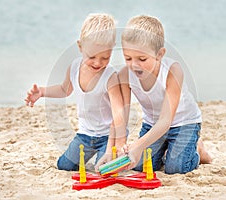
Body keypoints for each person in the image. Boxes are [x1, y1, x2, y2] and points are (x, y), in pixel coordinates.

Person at [24, 13, 126, 171]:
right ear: (80, 47)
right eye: (92, 56)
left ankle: (108, 157)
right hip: (85, 135)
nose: (98, 62)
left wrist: (116, 144)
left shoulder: (110, 77)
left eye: (105, 57)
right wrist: (42, 92)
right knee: (64, 166)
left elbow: (118, 112)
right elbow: (64, 89)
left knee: (105, 170)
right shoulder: (74, 67)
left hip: (107, 137)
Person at [118, 15, 212, 174]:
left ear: (160, 54)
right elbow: (123, 114)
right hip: (152, 125)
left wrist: (138, 145)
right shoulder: (124, 75)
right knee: (140, 166)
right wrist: (122, 145)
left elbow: (166, 121)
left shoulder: (172, 71)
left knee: (176, 168)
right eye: (128, 58)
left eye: (142, 58)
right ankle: (167, 148)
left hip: (183, 124)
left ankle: (197, 148)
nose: (134, 65)